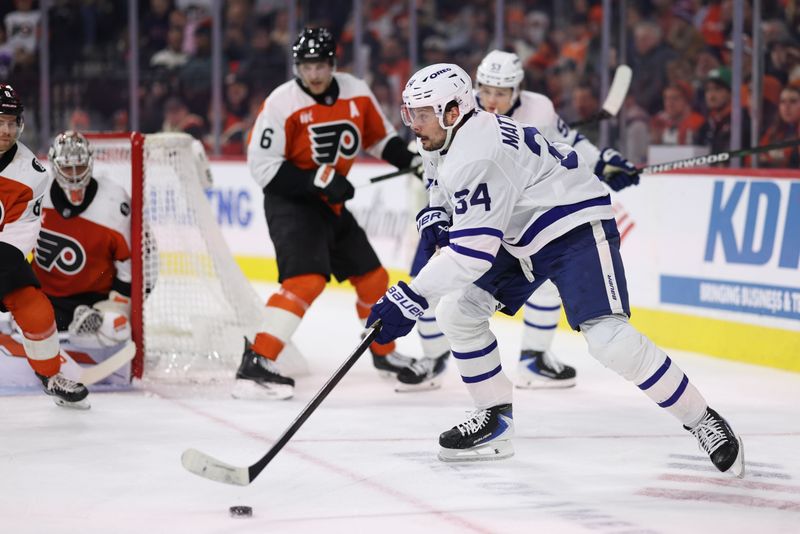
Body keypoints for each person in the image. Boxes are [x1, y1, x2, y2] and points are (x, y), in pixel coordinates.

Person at [367, 63, 744, 479]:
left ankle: (703, 419)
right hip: (519, 231)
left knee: (608, 339)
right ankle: (494, 418)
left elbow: (472, 255)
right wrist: (437, 211)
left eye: (421, 114)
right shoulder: (442, 135)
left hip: (572, 225)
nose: (413, 124)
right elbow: (438, 178)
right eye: (411, 113)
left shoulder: (478, 151)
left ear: (453, 111)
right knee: (459, 312)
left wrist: (410, 298)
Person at [405, 50, 640, 392]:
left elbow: (567, 143)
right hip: (462, 205)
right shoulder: (456, 110)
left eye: (501, 93)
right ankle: (431, 357)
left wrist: (603, 162)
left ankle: (534, 356)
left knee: (543, 282)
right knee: (429, 278)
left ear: (517, 90)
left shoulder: (539, 109)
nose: (492, 99)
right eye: (485, 90)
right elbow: (434, 163)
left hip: (512, 214)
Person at [238, 27, 422, 400]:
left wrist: (412, 160)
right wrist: (319, 178)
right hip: (291, 202)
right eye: (307, 67)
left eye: (321, 65)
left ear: (333, 64)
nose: (315, 75)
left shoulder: (354, 90)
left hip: (330, 203)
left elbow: (379, 138)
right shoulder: (281, 102)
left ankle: (383, 353)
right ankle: (256, 360)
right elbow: (263, 168)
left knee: (373, 278)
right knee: (306, 281)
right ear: (297, 68)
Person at [0, 85, 90, 409]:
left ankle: (50, 376)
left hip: (2, 254)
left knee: (35, 308)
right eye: (0, 122)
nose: (6, 130)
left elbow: (18, 234)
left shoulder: (32, 174)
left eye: (12, 122)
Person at [31, 131, 133, 352]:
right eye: (68, 168)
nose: (75, 176)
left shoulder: (114, 202)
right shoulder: (36, 194)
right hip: (44, 297)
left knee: (117, 325)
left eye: (80, 167)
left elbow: (129, 268)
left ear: (91, 163)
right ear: (55, 166)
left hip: (95, 301)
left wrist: (117, 304)